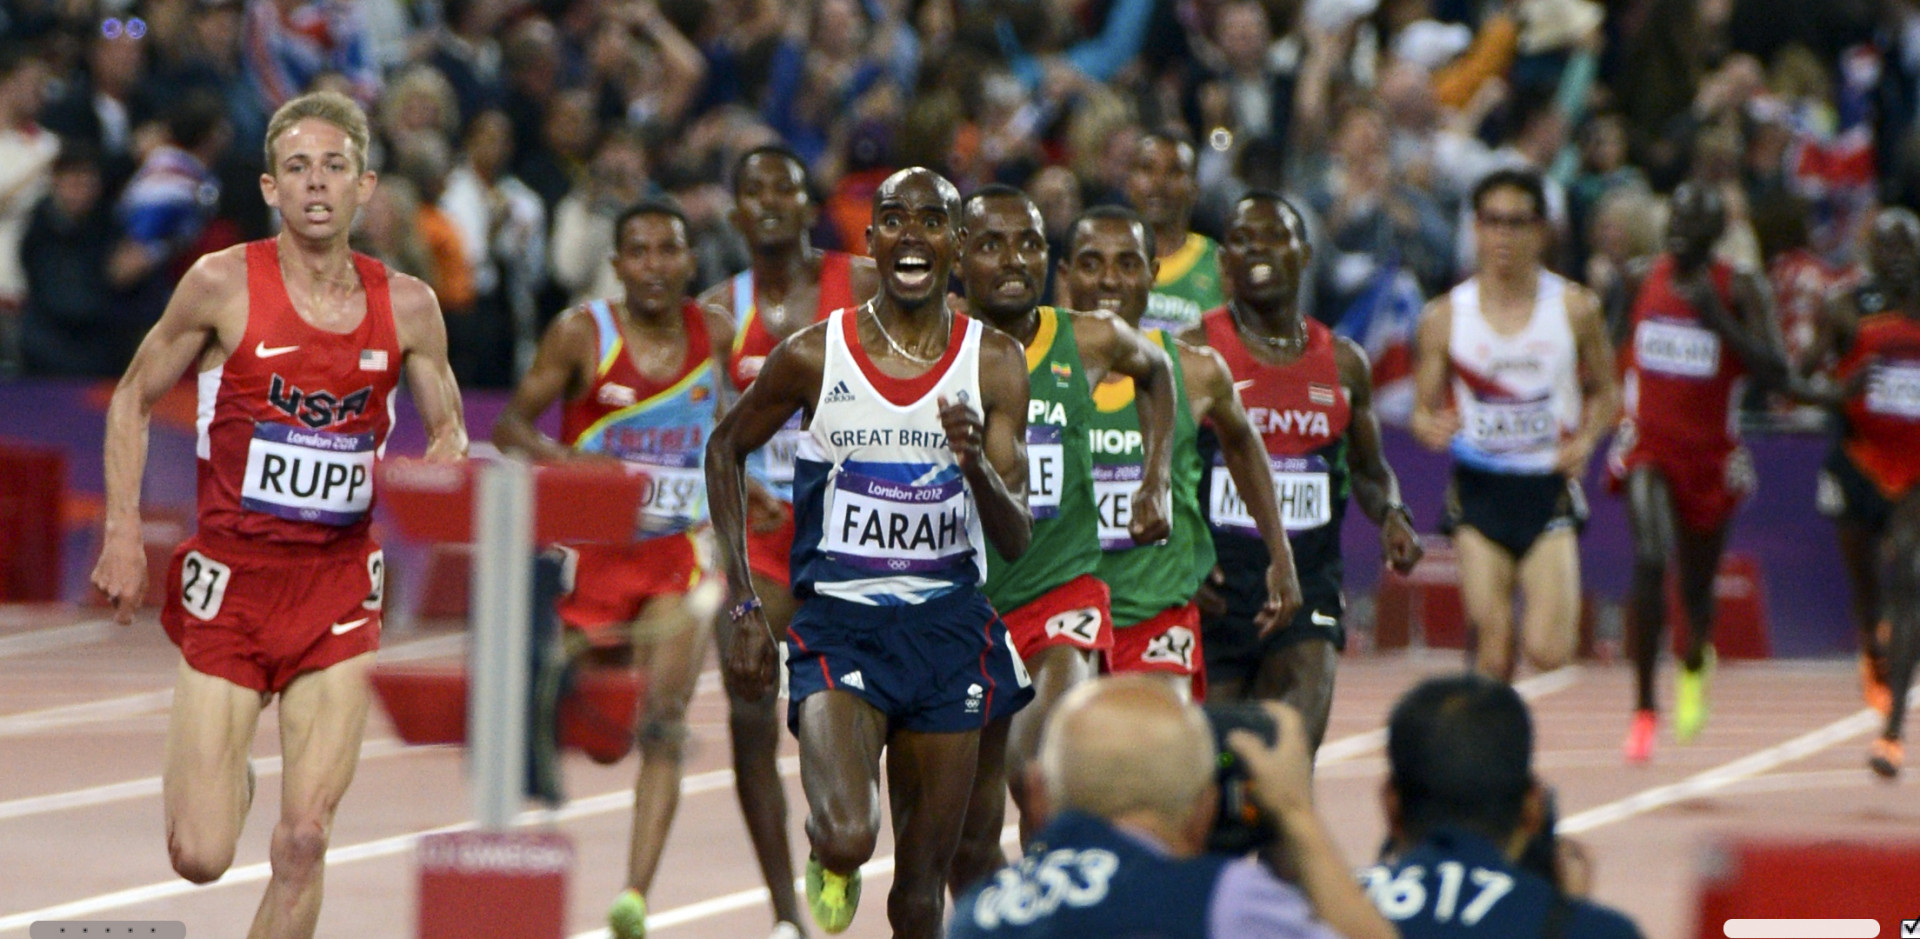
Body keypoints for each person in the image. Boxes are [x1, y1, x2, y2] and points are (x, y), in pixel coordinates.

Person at [88, 91, 467, 939]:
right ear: (269, 186)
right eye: (298, 168)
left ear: (365, 185)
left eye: (335, 166)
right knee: (201, 853)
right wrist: (121, 533)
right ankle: (230, 777)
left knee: (304, 838)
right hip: (233, 584)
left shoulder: (408, 305)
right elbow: (131, 398)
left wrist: (444, 465)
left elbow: (449, 429)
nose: (317, 184)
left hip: (337, 589)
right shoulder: (221, 284)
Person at [706, 167, 1036, 939]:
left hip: (950, 631)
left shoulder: (992, 363)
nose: (912, 234)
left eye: (931, 221)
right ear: (873, 240)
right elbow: (725, 450)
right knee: (850, 831)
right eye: (895, 219)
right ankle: (830, 854)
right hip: (840, 627)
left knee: (921, 895)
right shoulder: (814, 354)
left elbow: (1015, 536)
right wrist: (747, 601)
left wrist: (976, 466)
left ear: (955, 243)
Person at [492, 200, 733, 939]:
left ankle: (634, 895)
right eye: (640, 251)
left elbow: (724, 428)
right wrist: (570, 462)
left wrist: (738, 483)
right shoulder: (580, 334)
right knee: (599, 737)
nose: (655, 264)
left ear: (690, 261)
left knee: (662, 721)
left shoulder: (714, 333)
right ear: (619, 263)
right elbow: (507, 427)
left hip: (675, 555)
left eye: (669, 250)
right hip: (592, 559)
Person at [947, 184, 1178, 889]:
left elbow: (1159, 371)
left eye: (1029, 245)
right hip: (965, 604)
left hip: (1061, 594)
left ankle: (1062, 906)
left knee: (1034, 764)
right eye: (992, 244)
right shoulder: (940, 343)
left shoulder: (1089, 337)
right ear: (960, 258)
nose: (1014, 260)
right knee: (967, 833)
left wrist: (1155, 475)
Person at [694, 143, 879, 938]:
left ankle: (837, 837)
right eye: (753, 189)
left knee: (861, 712)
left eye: (785, 188)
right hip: (764, 541)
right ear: (736, 213)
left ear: (808, 207)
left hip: (859, 531)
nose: (770, 201)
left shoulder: (860, 286)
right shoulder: (714, 312)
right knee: (746, 703)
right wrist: (746, 487)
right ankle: (781, 910)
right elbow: (704, 425)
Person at [1195, 190, 1424, 749]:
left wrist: (1391, 514)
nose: (1260, 250)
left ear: (1305, 254)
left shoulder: (1344, 362)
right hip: (1216, 592)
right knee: (1208, 784)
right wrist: (1183, 557)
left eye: (1277, 237)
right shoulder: (1193, 353)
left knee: (1288, 758)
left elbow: (1369, 472)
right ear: (1225, 266)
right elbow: (1160, 468)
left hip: (1307, 591)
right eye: (1244, 240)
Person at [1059, 205, 1303, 700]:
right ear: (1065, 275)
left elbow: (1242, 445)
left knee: (1154, 767)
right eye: (1091, 263)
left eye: (1128, 264)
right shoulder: (1025, 363)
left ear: (1153, 274)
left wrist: (1281, 555)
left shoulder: (1196, 371)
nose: (1110, 280)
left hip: (1155, 616)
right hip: (1057, 612)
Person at [948, 675, 1397, 939]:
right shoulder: (1224, 898)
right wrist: (1297, 815)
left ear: (1037, 797)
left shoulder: (979, 911)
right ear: (1204, 810)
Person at [1606, 182, 1792, 763]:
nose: (1681, 232)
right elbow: (1608, 349)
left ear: (1715, 237)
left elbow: (1776, 371)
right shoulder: (1639, 278)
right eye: (1675, 220)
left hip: (1711, 455)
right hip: (1650, 447)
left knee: (1695, 587)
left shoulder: (1740, 286)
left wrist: (1719, 321)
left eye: (1695, 224)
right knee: (1650, 557)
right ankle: (1642, 709)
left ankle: (1693, 661)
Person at [1410, 169, 1620, 684]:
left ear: (1541, 231)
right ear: (1476, 229)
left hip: (1547, 490)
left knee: (1550, 651)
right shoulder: (1445, 316)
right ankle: (1492, 757)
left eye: (1517, 223)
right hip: (1479, 494)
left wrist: (1588, 440)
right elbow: (1420, 410)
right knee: (1493, 653)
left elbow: (1610, 393)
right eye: (1492, 222)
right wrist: (1430, 427)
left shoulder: (1575, 308)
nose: (1503, 236)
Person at [1367, 673, 1644, 939]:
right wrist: (1566, 914)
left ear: (1391, 806)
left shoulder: (1337, 913)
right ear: (1533, 808)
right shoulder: (1594, 929)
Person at [1804, 207, 1920, 778]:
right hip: (1857, 461)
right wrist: (1836, 391)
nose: (1897, 255)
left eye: (1908, 245)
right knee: (1867, 591)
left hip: (1916, 470)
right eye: (1886, 246)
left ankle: (1892, 729)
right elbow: (1797, 378)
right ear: (1869, 255)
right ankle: (1872, 652)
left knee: (1913, 581)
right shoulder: (1845, 309)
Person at [1126, 132, 1227, 334]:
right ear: (1129, 183)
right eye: (1147, 169)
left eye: (1174, 171)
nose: (1158, 183)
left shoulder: (1220, 264)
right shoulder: (1103, 258)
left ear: (1195, 189)